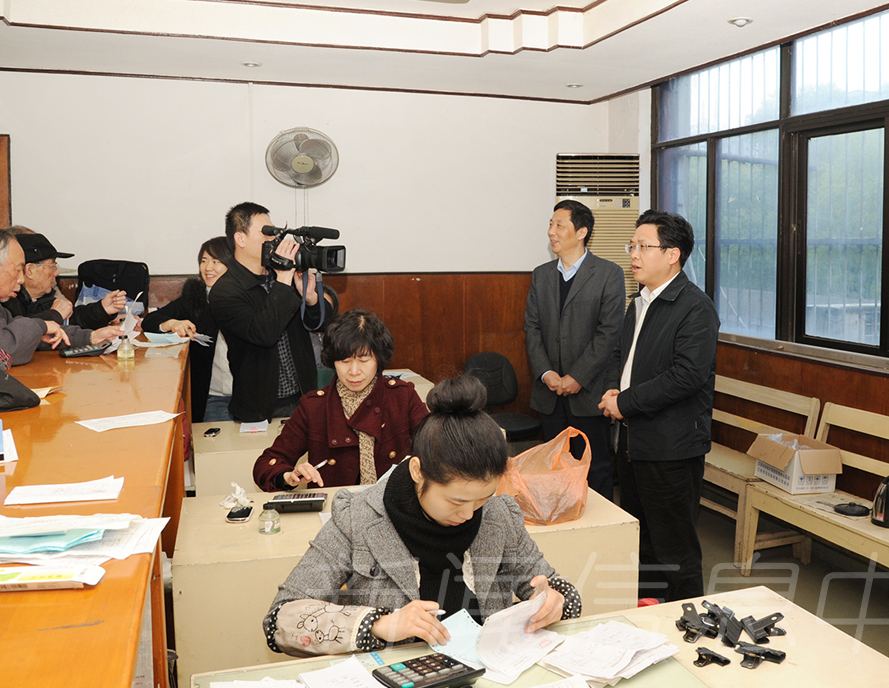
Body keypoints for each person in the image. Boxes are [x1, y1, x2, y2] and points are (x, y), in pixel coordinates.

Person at [262, 375, 583, 657]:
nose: (468, 514)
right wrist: (379, 625)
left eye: (482, 499)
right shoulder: (357, 519)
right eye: (456, 501)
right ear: (418, 471)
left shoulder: (499, 515)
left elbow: (557, 588)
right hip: (396, 684)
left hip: (488, 677)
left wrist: (555, 600)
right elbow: (281, 619)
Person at [599, 210, 719, 603]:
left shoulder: (695, 308)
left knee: (675, 549)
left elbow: (686, 376)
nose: (634, 254)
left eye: (643, 246)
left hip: (671, 447)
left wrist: (625, 403)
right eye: (632, 246)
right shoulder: (639, 302)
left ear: (672, 254)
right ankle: (649, 615)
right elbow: (622, 356)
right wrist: (614, 388)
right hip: (634, 442)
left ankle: (688, 621)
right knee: (643, 542)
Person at [253, 309, 429, 491]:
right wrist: (289, 476)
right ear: (333, 361)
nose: (354, 371)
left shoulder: (401, 397)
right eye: (344, 361)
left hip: (391, 500)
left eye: (363, 361)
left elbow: (436, 448)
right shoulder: (314, 406)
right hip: (334, 504)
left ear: (379, 360)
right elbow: (265, 464)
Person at [524, 200, 625, 501]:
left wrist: (577, 376)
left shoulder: (608, 273)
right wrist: (546, 373)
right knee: (554, 470)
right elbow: (532, 328)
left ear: (581, 232)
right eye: (550, 224)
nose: (551, 232)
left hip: (589, 394)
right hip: (550, 394)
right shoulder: (541, 275)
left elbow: (609, 333)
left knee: (595, 469)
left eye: (559, 225)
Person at [209, 202, 332, 422]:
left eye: (275, 232)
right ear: (240, 239)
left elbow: (321, 324)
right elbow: (264, 334)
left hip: (304, 397)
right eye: (266, 232)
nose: (274, 239)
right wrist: (284, 278)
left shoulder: (282, 276)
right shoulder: (225, 291)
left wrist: (311, 298)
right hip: (259, 407)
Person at [141, 237, 231, 423]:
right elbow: (149, 321)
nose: (208, 268)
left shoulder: (247, 298)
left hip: (248, 395)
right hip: (212, 396)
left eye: (216, 261)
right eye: (204, 261)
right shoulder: (195, 298)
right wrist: (173, 323)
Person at [0, 228, 71, 366]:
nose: (21, 280)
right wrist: (40, 326)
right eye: (17, 270)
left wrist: (89, 337)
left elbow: (27, 338)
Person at [1, 232, 126, 332]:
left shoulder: (42, 298)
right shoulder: (6, 300)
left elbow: (73, 318)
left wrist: (103, 308)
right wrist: (54, 315)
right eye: (52, 266)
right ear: (30, 270)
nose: (56, 273)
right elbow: (18, 331)